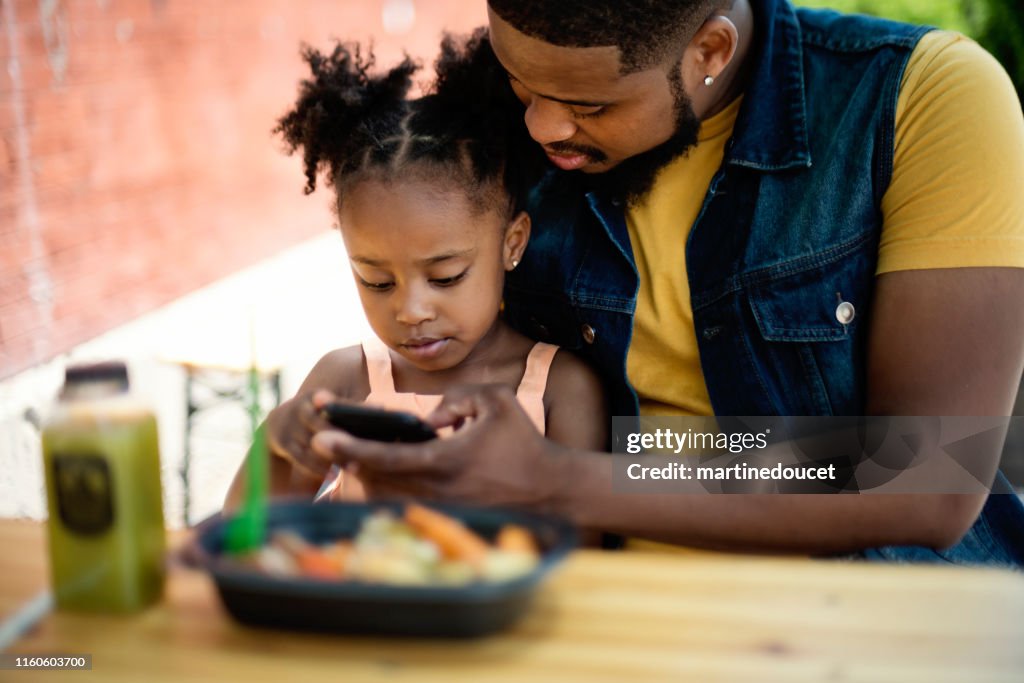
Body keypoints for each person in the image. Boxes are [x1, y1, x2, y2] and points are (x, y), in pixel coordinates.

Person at [309, 0, 1024, 566]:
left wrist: (569, 476)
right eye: (521, 84)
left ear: (710, 50)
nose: (542, 124)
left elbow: (928, 469)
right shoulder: (494, 130)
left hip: (867, 618)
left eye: (590, 105)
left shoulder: (919, 99)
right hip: (584, 600)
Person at [225, 31, 607, 507]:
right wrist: (276, 449)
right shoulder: (348, 379)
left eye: (445, 277)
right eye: (376, 281)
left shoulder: (560, 388)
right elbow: (247, 527)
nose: (410, 310)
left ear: (512, 243)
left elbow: (579, 548)